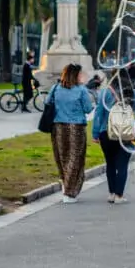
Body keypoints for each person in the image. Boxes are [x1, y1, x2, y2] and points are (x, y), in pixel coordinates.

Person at [91, 68, 135, 204]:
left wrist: (95, 133)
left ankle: (111, 193)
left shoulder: (105, 93)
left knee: (110, 164)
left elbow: (98, 114)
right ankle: (119, 195)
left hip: (107, 132)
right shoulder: (132, 93)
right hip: (127, 134)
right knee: (122, 165)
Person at [46, 63, 95, 203]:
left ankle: (65, 185)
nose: (82, 76)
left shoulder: (55, 88)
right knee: (75, 158)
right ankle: (69, 191)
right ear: (75, 75)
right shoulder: (81, 90)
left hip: (58, 126)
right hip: (76, 127)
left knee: (62, 157)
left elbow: (47, 101)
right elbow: (87, 108)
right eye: (80, 74)